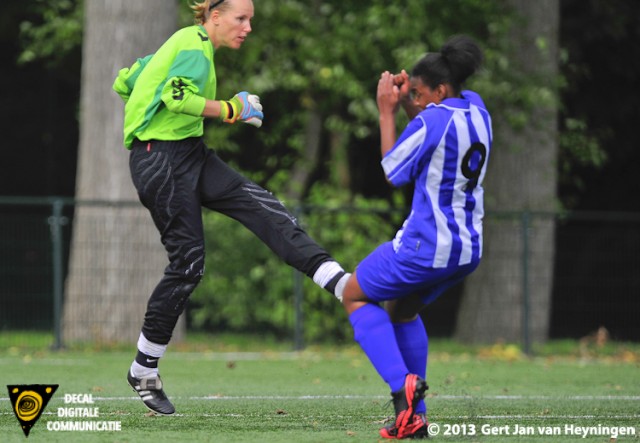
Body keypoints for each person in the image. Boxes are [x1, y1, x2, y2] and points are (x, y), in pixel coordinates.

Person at [112, 0, 349, 416]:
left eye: (251, 19)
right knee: (188, 264)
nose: (248, 27)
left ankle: (340, 283)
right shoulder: (193, 43)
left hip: (187, 153)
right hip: (159, 159)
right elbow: (174, 95)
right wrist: (230, 110)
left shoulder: (190, 45)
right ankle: (143, 370)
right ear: (214, 17)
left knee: (262, 206)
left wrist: (139, 78)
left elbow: (127, 81)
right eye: (241, 18)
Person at [340, 35, 492, 439]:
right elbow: (430, 123)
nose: (417, 101)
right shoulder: (478, 109)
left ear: (439, 92)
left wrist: (388, 110)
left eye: (422, 94)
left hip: (426, 246)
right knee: (403, 310)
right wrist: (412, 98)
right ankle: (416, 418)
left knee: (354, 294)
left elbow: (394, 171)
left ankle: (401, 389)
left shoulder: (432, 120)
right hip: (467, 249)